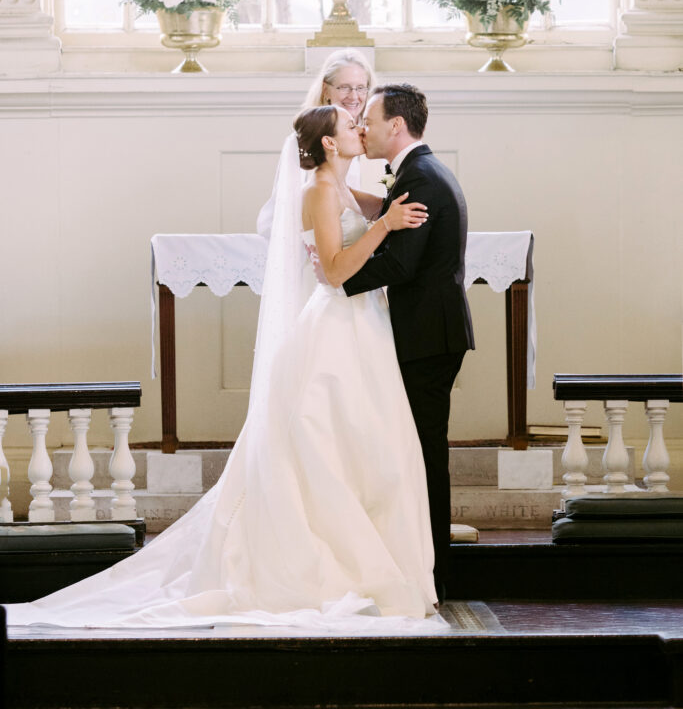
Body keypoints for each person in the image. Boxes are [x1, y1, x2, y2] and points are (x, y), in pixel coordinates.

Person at [5, 105, 445, 632]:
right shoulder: (321, 192)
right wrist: (386, 227)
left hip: (363, 328)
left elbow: (377, 214)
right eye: (351, 126)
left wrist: (392, 210)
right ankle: (331, 565)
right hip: (336, 326)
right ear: (328, 143)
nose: (360, 128)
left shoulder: (344, 188)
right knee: (328, 442)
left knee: (369, 449)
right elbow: (331, 272)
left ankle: (373, 559)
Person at [343, 84, 475, 604]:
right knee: (418, 451)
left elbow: (401, 263)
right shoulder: (422, 172)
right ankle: (421, 562)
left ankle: (435, 571)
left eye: (369, 120)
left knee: (425, 455)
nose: (363, 129)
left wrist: (335, 279)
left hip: (426, 338)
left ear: (395, 125)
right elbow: (395, 227)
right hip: (431, 333)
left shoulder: (419, 176)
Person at [257, 48, 374, 238]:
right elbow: (282, 212)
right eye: (344, 87)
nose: (354, 96)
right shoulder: (310, 141)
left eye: (360, 88)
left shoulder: (376, 142)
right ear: (326, 89)